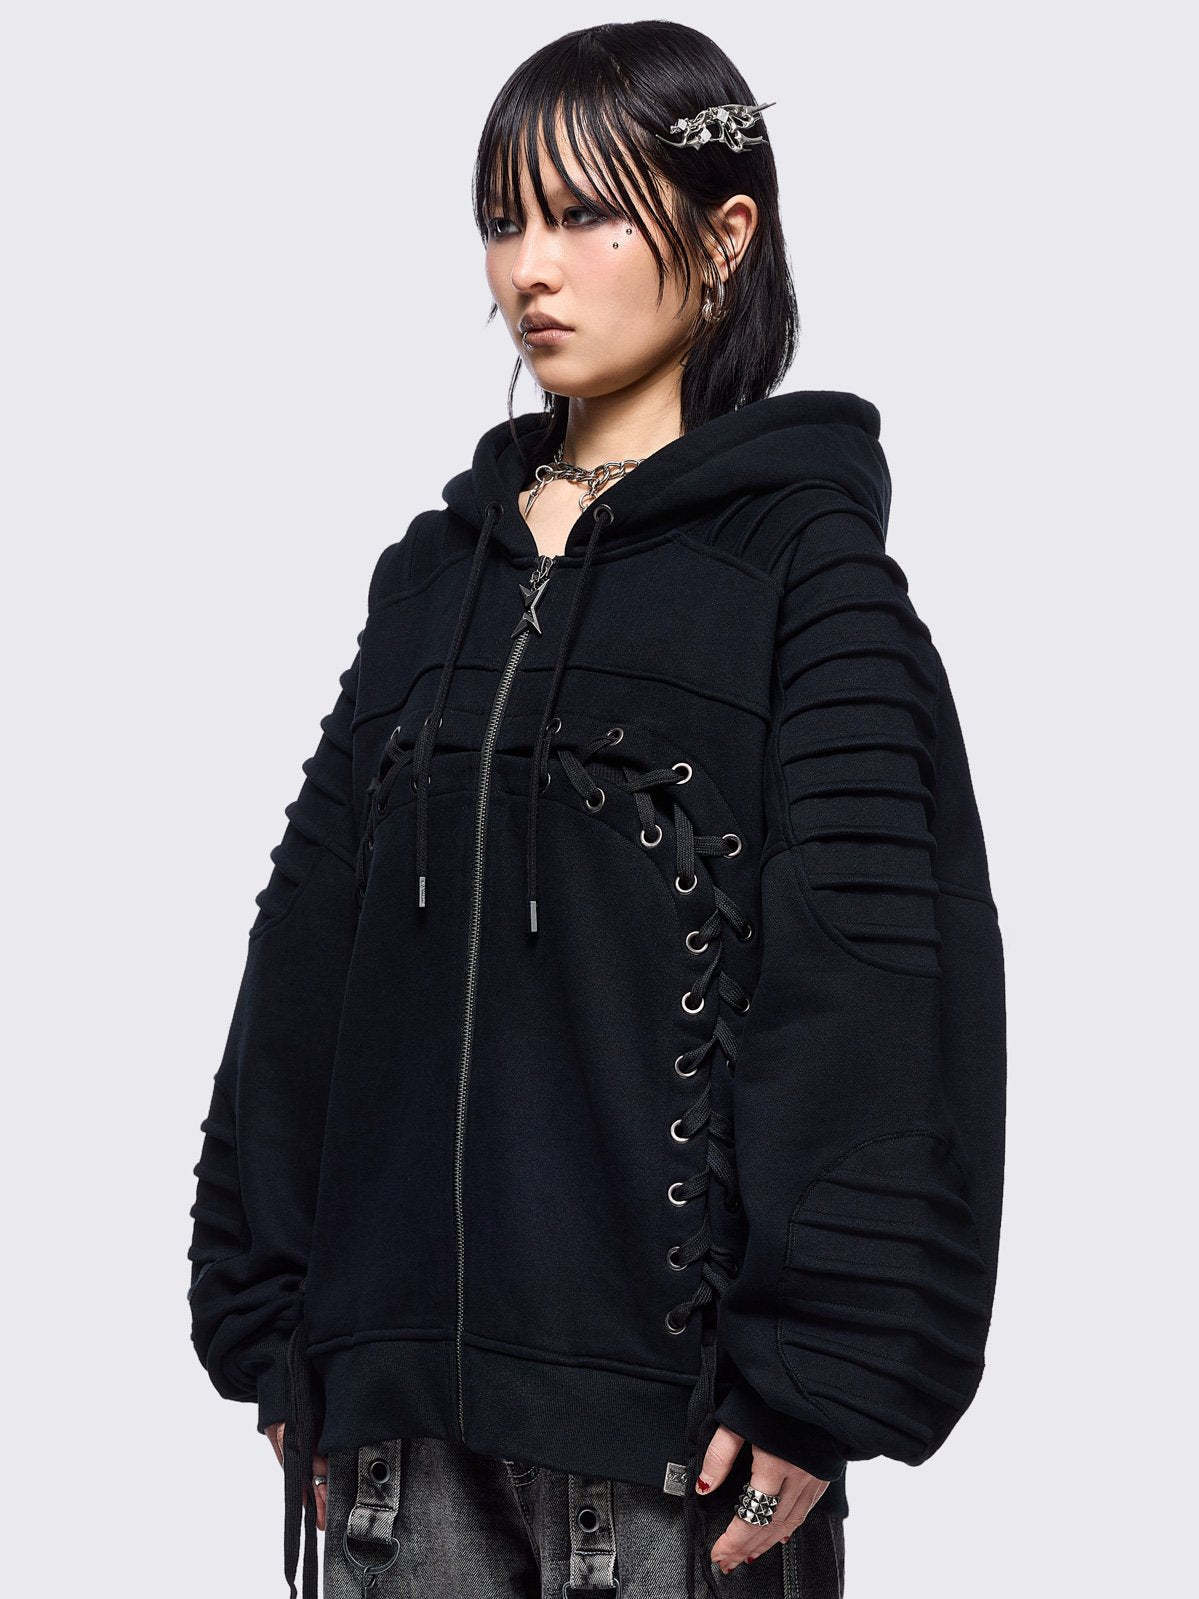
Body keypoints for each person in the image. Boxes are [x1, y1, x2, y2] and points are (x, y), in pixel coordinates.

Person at [186, 22, 1006, 1599]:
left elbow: (878, 995)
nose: (530, 270)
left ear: (724, 233)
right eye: (504, 220)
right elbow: (307, 961)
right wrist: (274, 1316)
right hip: (392, 1444)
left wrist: (820, 1376)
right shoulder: (433, 580)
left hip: (671, 1462)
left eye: (585, 216)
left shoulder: (806, 580)